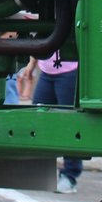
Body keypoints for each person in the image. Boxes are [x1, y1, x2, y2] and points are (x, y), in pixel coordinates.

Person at [34, 49, 81, 193]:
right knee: (38, 119)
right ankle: (42, 173)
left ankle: (70, 176)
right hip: (47, 69)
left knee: (68, 124)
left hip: (69, 69)